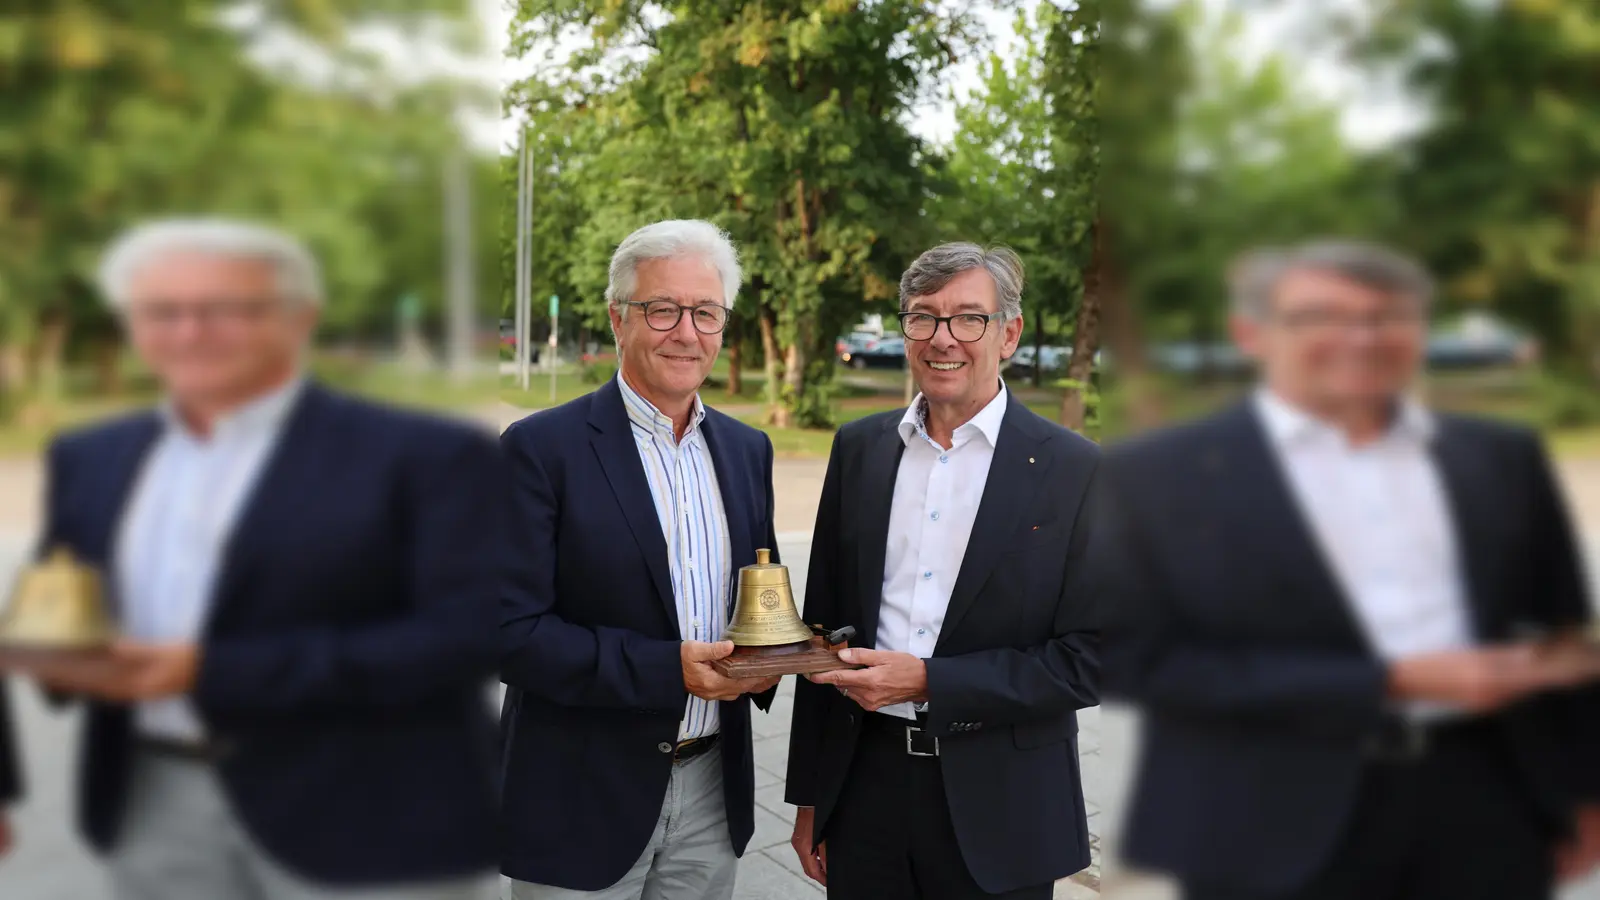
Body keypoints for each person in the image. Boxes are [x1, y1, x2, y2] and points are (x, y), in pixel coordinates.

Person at [15, 218, 504, 899]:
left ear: (300, 317)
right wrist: (58, 660)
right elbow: (59, 606)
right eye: (161, 312)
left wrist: (211, 671)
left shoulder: (428, 457)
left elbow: (474, 634)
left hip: (370, 813)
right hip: (153, 803)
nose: (189, 333)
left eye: (224, 310)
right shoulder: (90, 458)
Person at [1102, 239, 1600, 900]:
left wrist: (1585, 794)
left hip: (1487, 799)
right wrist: (1387, 681)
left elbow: (1562, 632)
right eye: (1321, 317)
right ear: (1251, 333)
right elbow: (1129, 658)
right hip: (1263, 814)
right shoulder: (1155, 476)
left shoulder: (1501, 457)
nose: (1362, 337)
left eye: (1390, 315)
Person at [785, 243, 1103, 899]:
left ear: (1008, 333)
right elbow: (818, 632)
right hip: (863, 790)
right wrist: (810, 797)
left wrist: (932, 680)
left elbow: (1094, 657)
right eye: (923, 317)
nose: (943, 338)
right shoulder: (859, 450)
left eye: (968, 318)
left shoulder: (1074, 469)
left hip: (1001, 807)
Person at [498, 219, 782, 900]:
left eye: (706, 312)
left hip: (713, 792)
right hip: (579, 797)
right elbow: (505, 634)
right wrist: (669, 670)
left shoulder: (748, 451)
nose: (687, 331)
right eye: (663, 309)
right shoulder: (540, 450)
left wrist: (777, 656)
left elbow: (757, 601)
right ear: (618, 318)